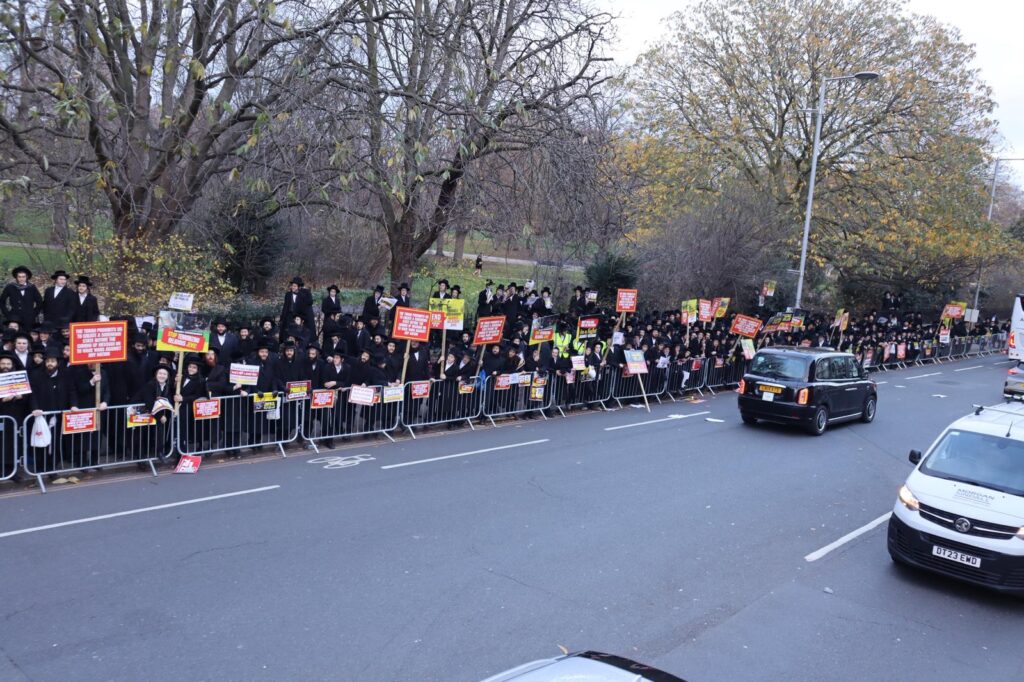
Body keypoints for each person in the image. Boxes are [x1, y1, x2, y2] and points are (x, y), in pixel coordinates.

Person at [0, 266, 43, 331]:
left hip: (29, 318)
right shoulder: (10, 287)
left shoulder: (32, 287)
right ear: (16, 277)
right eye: (19, 277)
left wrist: (33, 313)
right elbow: (2, 302)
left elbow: (39, 302)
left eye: (23, 277)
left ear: (27, 277)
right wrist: (8, 314)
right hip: (14, 318)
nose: (21, 279)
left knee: (27, 336)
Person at [280, 277, 314, 341]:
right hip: (289, 316)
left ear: (299, 287)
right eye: (292, 286)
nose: (293, 287)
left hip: (299, 317)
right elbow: (285, 307)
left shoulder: (303, 294)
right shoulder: (288, 294)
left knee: (298, 332)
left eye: (295, 286)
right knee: (288, 332)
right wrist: (282, 317)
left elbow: (309, 303)